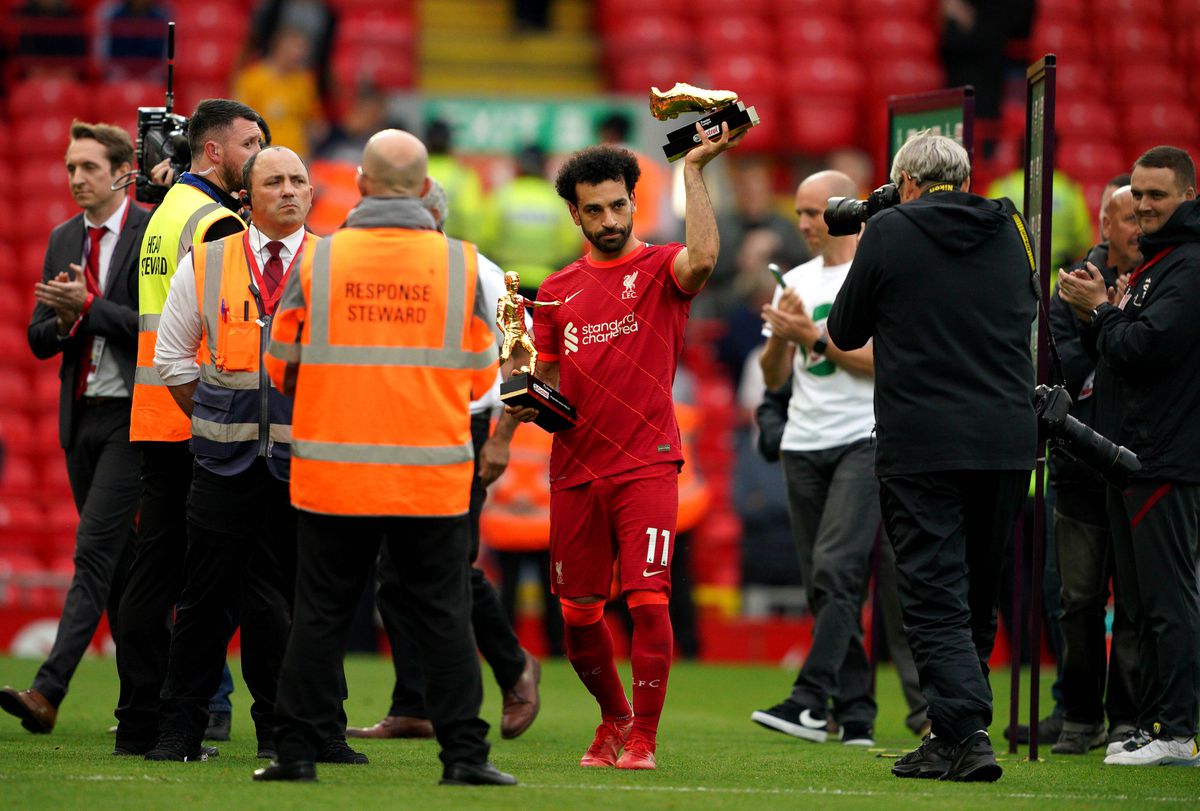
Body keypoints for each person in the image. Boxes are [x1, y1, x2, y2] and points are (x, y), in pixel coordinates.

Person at [255, 129, 514, 786]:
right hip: (430, 477)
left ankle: (296, 753)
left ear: (362, 187)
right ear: (427, 189)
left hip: (333, 472)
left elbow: (278, 364)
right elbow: (485, 376)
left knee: (319, 614)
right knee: (445, 614)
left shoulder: (320, 261)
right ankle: (464, 757)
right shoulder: (460, 264)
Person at [506, 123, 743, 770]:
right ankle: (612, 718)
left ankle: (644, 734)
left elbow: (705, 260)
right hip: (575, 466)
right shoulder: (554, 290)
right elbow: (544, 377)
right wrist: (510, 417)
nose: (609, 219)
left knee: (646, 598)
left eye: (619, 204)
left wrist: (694, 172)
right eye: (595, 209)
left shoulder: (663, 267)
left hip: (647, 461)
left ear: (635, 201)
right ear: (574, 212)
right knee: (578, 615)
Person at [828, 131, 1036, 782]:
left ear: (908, 183)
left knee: (931, 592)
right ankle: (950, 733)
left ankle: (968, 730)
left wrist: (882, 231)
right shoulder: (1012, 229)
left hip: (924, 440)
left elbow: (843, 330)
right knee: (976, 589)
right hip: (1006, 438)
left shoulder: (890, 232)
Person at [140, 146, 326, 763]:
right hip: (223, 465)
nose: (290, 191)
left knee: (293, 610)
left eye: (299, 180)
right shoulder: (209, 259)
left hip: (305, 466)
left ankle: (290, 733)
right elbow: (171, 359)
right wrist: (218, 418)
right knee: (202, 604)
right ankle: (179, 730)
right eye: (274, 181)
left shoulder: (335, 265)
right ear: (247, 196)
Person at [348, 180, 541, 744]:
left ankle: (513, 667)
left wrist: (502, 437)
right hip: (392, 431)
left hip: (462, 428)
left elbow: (523, 353)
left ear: (431, 215)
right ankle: (415, 704)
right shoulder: (384, 267)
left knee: (445, 564)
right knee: (393, 570)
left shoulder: (476, 269)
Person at [750, 170, 926, 747]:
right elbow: (774, 378)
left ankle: (807, 697)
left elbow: (886, 363)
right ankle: (854, 713)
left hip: (863, 436)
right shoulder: (793, 280)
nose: (803, 224)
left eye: (814, 212)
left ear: (845, 210)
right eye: (798, 212)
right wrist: (782, 337)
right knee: (825, 585)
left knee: (836, 569)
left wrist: (812, 336)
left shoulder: (874, 271)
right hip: (803, 440)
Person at [113, 99, 264, 756]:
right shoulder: (216, 220)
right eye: (251, 144)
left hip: (150, 407)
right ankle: (174, 715)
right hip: (195, 413)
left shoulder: (164, 214)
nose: (260, 155)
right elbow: (225, 319)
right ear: (213, 151)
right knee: (208, 581)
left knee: (153, 573)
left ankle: (137, 715)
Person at [2, 123, 149, 735]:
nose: (74, 178)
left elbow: (157, 328)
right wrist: (64, 322)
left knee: (92, 553)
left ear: (121, 172)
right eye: (68, 168)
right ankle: (151, 702)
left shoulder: (150, 233)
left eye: (87, 166)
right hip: (79, 416)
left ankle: (49, 690)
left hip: (132, 416)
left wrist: (89, 310)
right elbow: (39, 339)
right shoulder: (64, 236)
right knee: (120, 566)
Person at [1057, 145, 1200, 767]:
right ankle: (1149, 725)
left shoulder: (1189, 266)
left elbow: (1146, 349)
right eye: (1137, 194)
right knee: (1139, 607)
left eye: (1156, 195)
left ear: (1188, 197)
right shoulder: (1158, 263)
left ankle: (1179, 729)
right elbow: (1125, 348)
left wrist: (1101, 313)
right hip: (1132, 455)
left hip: (1163, 457)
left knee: (1169, 602)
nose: (1142, 205)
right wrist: (1101, 317)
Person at [1047, 181, 1141, 756]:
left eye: (1146, 216)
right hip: (1082, 468)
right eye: (1129, 218)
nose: (1140, 226)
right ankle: (1080, 715)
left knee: (1134, 601)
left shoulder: (1165, 279)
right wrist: (1111, 320)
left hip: (1140, 467)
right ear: (1104, 225)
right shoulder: (1067, 290)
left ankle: (1129, 718)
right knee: (1079, 599)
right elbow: (1081, 376)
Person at [478, 145, 579, 297]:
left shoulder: (501, 196)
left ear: (517, 166)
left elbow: (485, 240)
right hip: (547, 284)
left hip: (504, 282)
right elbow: (570, 246)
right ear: (544, 167)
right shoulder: (557, 201)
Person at [232, 26, 324, 158]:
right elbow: (239, 122)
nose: (300, 54)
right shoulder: (251, 79)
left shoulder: (304, 81)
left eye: (302, 49)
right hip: (262, 155)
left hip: (297, 155)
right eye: (296, 48)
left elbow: (315, 121)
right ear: (280, 47)